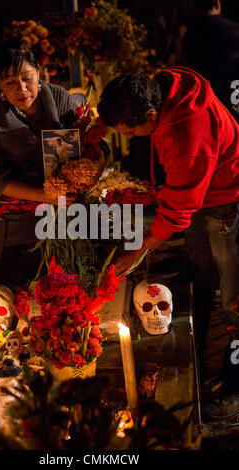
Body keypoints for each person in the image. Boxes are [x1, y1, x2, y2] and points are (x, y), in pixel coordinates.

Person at [97, 68, 239, 419]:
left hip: (225, 205)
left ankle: (235, 391)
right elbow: (180, 190)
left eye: (131, 131)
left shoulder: (186, 136)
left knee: (233, 302)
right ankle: (197, 370)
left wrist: (139, 249)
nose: (129, 138)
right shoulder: (167, 90)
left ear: (150, 115)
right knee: (194, 284)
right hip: (206, 198)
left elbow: (178, 210)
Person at [0, 39, 77, 288]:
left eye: (27, 78)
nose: (22, 89)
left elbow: (86, 143)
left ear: (39, 72)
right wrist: (46, 196)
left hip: (49, 213)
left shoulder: (60, 99)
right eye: (10, 83)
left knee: (50, 291)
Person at [182, 0, 239, 121]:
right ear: (217, 4)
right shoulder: (234, 31)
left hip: (204, 99)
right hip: (232, 94)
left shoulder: (190, 36)